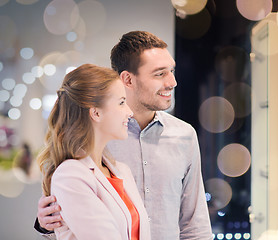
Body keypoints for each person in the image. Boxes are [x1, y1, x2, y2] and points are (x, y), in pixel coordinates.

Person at [36, 31, 212, 240]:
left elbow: (195, 227)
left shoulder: (184, 136)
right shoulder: (92, 141)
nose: (172, 82)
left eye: (171, 71)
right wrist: (46, 224)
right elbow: (64, 219)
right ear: (128, 79)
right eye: (159, 73)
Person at [37, 63, 150, 240]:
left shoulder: (121, 171)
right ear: (96, 113)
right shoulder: (70, 175)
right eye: (121, 103)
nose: (129, 112)